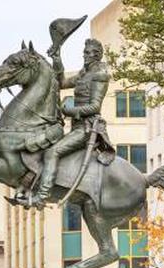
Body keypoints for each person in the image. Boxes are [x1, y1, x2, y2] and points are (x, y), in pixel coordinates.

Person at [27, 38, 113, 208]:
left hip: (87, 129)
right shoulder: (83, 74)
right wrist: (57, 58)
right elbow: (61, 83)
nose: (86, 56)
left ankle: (42, 196)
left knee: (52, 152)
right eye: (85, 53)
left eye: (90, 53)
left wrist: (68, 111)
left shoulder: (100, 76)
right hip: (76, 127)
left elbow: (95, 106)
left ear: (98, 55)